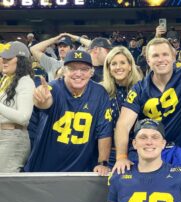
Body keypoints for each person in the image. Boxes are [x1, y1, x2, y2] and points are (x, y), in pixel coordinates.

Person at [113, 6, 181, 173]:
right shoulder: (140, 89)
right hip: (148, 152)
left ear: (173, 57)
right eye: (155, 56)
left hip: (178, 152)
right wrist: (121, 157)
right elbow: (123, 125)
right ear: (148, 61)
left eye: (165, 55)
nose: (161, 59)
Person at [24, 50, 112, 174]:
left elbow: (104, 130)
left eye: (84, 69)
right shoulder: (52, 89)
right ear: (64, 71)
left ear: (91, 73)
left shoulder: (99, 93)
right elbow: (44, 103)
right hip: (45, 167)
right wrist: (41, 100)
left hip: (81, 170)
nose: (78, 73)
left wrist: (103, 162)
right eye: (72, 69)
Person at [103, 119, 181, 202]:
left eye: (155, 137)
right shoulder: (119, 177)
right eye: (143, 137)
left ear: (163, 143)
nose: (149, 142)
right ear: (134, 143)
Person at [102, 46, 142, 167]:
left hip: (138, 152)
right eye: (114, 64)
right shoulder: (101, 91)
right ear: (108, 68)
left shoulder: (142, 89)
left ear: (130, 66)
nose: (118, 67)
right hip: (109, 152)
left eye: (122, 63)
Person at [0, 41, 35, 172]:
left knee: (4, 185)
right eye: (3, 58)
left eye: (8, 58)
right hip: (4, 135)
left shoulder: (25, 81)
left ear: (20, 61)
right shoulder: (7, 80)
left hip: (12, 138)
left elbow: (23, 118)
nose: (4, 61)